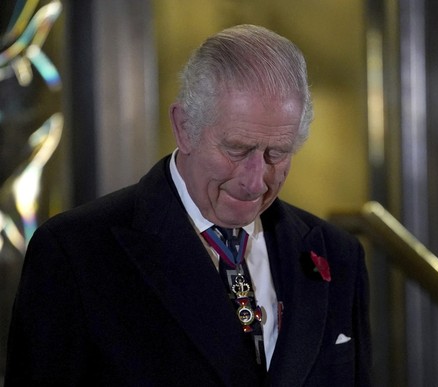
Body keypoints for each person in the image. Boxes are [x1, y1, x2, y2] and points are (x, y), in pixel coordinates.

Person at [4, 24, 371, 386]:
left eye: (277, 153)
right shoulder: (76, 253)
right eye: (237, 150)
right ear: (184, 127)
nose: (256, 180)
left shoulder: (338, 256)